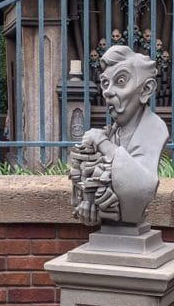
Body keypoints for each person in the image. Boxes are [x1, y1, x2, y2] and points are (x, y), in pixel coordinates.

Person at [69, 45, 167, 227]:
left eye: (120, 81)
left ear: (146, 89)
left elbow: (141, 186)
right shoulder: (111, 132)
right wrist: (89, 200)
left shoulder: (156, 129)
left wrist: (103, 143)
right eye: (105, 83)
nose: (107, 92)